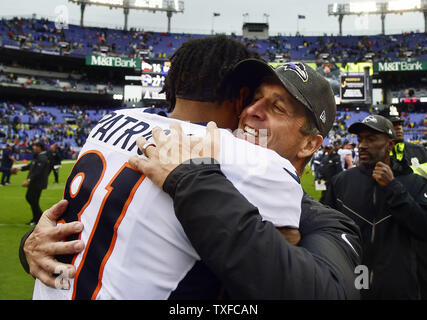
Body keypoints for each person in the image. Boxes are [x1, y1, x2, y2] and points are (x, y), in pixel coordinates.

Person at [20, 57, 362, 299]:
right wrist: (31, 246)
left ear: (309, 144)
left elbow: (322, 292)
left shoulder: (328, 223)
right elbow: (93, 235)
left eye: (277, 107)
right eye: (254, 98)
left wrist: (193, 180)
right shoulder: (182, 163)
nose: (251, 111)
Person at [323, 115, 427, 299]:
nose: (362, 145)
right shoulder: (341, 182)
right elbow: (325, 230)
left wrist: (393, 188)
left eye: (370, 139)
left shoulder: (414, 183)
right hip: (353, 282)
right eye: (360, 139)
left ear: (390, 145)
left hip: (397, 286)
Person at [388, 113, 427, 300]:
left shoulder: (418, 150)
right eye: (395, 125)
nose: (400, 128)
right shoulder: (379, 151)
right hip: (391, 216)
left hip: (418, 210)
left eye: (401, 125)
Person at [18, 141, 50, 225]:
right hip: (35, 183)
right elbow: (31, 166)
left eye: (35, 146)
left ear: (40, 147)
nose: (33, 148)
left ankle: (39, 218)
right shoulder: (38, 156)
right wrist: (20, 168)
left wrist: (29, 180)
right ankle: (38, 217)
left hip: (37, 183)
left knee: (32, 199)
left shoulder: (42, 157)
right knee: (31, 199)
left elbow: (37, 171)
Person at [318, 140, 342, 204]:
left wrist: (330, 181)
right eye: (327, 149)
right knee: (323, 195)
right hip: (324, 180)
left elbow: (339, 171)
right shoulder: (325, 157)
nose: (328, 150)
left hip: (331, 182)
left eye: (329, 149)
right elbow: (323, 168)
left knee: (329, 199)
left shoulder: (337, 157)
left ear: (332, 149)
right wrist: (320, 177)